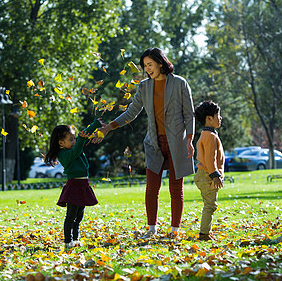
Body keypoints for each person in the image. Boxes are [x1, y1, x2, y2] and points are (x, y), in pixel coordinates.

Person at [92, 48, 195, 239]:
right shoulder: (144, 87)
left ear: (160, 63)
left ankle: (174, 230)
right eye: (145, 66)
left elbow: (189, 114)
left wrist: (189, 140)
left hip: (177, 142)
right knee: (151, 188)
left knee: (175, 188)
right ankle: (152, 229)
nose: (147, 69)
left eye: (150, 64)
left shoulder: (180, 83)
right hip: (154, 143)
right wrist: (109, 127)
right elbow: (131, 113)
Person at [45, 119, 102, 249]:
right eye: (71, 139)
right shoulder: (64, 154)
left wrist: (95, 124)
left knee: (79, 216)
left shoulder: (74, 144)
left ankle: (76, 239)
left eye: (74, 138)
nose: (74, 141)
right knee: (71, 216)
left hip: (83, 185)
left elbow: (83, 134)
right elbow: (75, 151)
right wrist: (80, 140)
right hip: (74, 186)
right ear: (61, 143)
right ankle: (68, 241)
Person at [193, 101, 224, 241]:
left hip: (204, 174)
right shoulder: (210, 137)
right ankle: (204, 234)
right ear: (209, 118)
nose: (220, 118)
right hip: (207, 175)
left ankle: (206, 232)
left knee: (210, 204)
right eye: (218, 115)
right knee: (210, 205)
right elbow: (210, 159)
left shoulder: (206, 134)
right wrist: (214, 175)